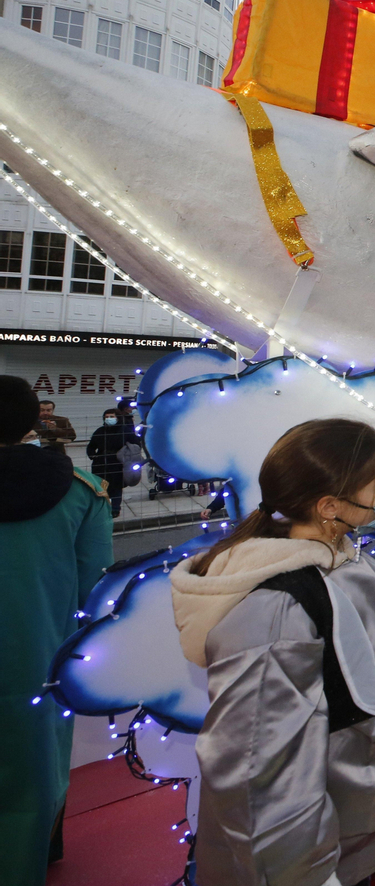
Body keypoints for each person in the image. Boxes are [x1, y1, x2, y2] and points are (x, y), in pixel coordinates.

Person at [169, 419, 375, 886]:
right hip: (307, 863)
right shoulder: (278, 612)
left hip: (349, 837)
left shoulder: (342, 558)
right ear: (330, 506)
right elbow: (258, 774)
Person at [0, 376, 112, 883]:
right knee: (35, 769)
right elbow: (96, 590)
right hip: (39, 661)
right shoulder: (82, 492)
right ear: (33, 422)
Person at [84, 408, 138, 517]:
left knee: (116, 487)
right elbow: (91, 446)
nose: (109, 419)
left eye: (112, 417)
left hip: (117, 463)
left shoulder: (125, 430)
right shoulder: (100, 431)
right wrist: (93, 456)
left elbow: (135, 444)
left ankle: (115, 509)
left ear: (118, 418)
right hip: (101, 463)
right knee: (101, 486)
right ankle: (103, 507)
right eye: (106, 417)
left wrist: (127, 456)